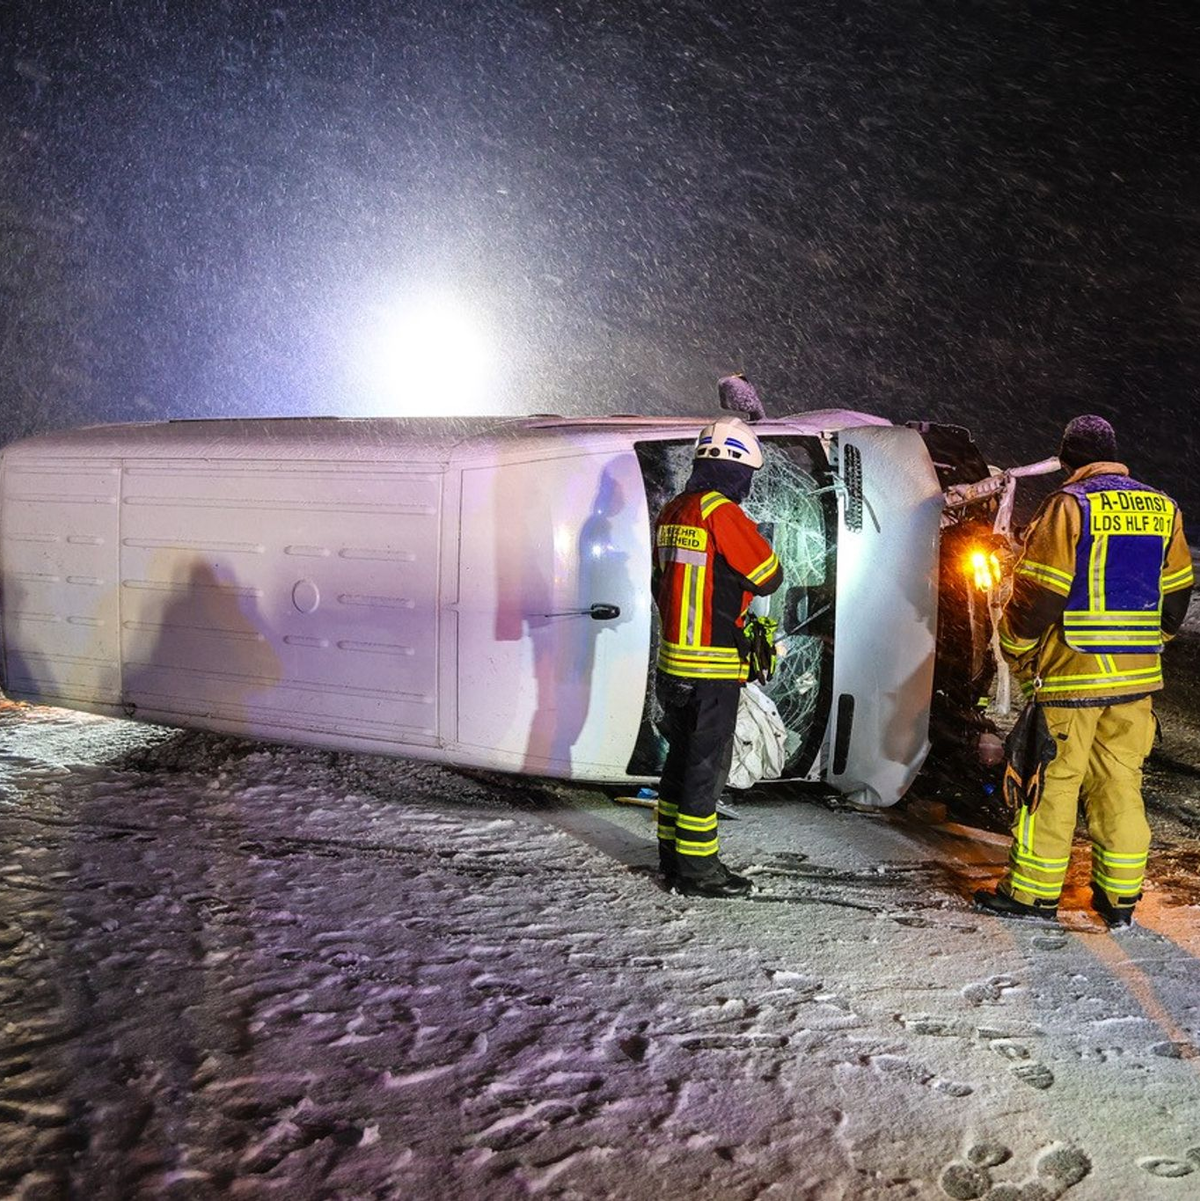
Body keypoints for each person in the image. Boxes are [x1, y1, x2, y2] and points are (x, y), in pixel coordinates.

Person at [975, 415, 1194, 926]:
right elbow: (1179, 589)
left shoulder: (1069, 505)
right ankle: (1119, 899)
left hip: (1073, 677)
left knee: (1049, 783)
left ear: (1067, 460)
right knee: (1119, 783)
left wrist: (1012, 645)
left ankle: (1032, 895)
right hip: (1136, 682)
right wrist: (1151, 641)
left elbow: (1043, 591)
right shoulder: (1164, 507)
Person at [652, 413, 783, 897]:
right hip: (713, 666)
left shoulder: (672, 509)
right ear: (736, 470)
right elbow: (769, 575)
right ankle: (698, 871)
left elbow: (659, 582)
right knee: (706, 769)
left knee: (679, 762)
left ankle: (671, 857)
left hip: (672, 665)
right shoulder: (721, 512)